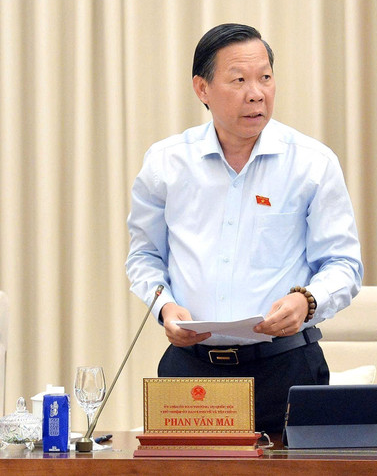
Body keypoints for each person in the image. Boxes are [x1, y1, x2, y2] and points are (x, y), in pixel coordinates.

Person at [126, 23, 363, 434]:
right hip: (191, 372)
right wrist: (164, 305)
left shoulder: (312, 163)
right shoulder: (166, 163)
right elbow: (144, 255)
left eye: (265, 78)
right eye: (239, 80)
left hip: (286, 370)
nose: (257, 93)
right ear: (202, 89)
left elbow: (343, 263)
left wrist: (308, 301)